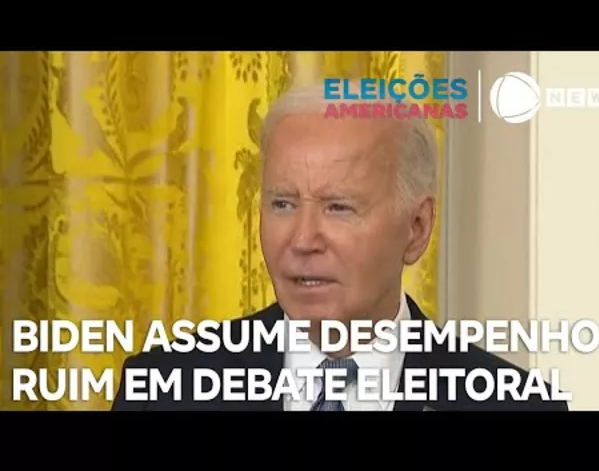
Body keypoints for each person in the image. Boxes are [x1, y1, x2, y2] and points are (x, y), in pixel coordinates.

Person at [111, 82, 568, 411]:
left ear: (416, 228)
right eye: (283, 203)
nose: (303, 240)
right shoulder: (164, 391)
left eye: (338, 208)